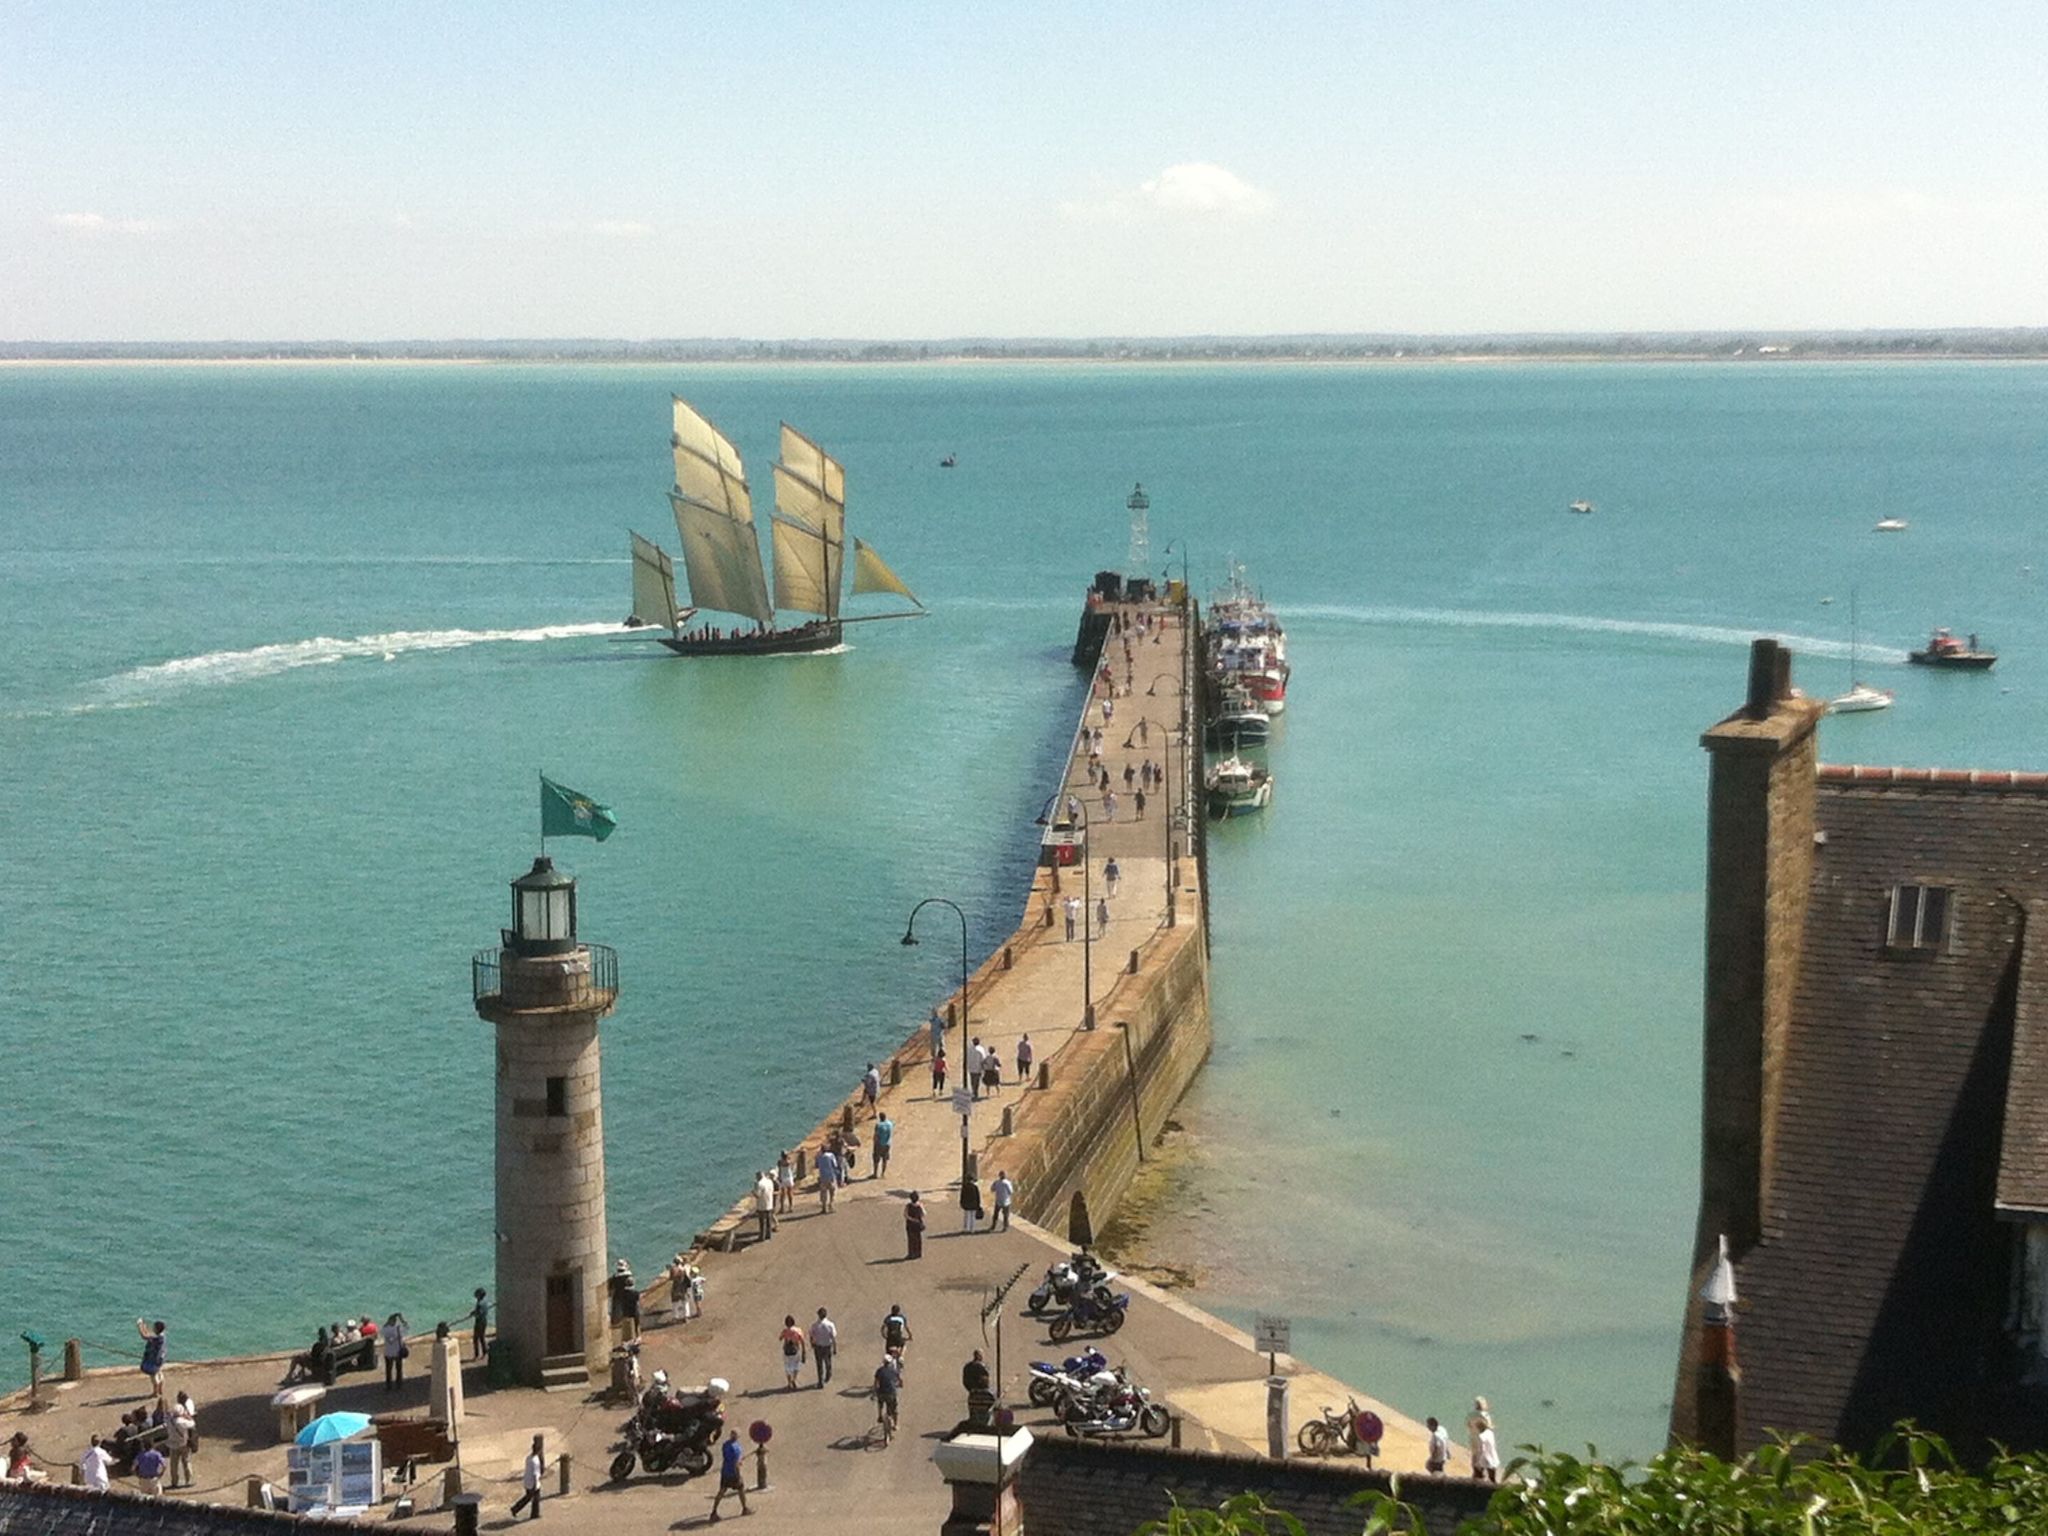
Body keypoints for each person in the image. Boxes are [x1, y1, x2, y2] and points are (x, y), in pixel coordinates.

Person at [710, 1429, 749, 1520]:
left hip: (725, 1471)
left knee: (722, 1491)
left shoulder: (726, 1444)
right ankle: (745, 1508)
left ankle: (714, 1511)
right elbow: (736, 1463)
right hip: (733, 1473)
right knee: (741, 1488)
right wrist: (738, 1470)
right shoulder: (736, 1448)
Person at [510, 1434, 544, 1519]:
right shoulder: (535, 1461)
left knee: (528, 1498)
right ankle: (532, 1513)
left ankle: (517, 1509)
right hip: (533, 1483)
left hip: (527, 1482)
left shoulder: (528, 1458)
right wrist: (535, 1486)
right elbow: (535, 1474)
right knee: (534, 1498)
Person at [872, 1354, 902, 1441]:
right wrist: (900, 1384)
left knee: (880, 1402)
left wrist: (875, 1392)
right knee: (894, 1409)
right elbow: (899, 1380)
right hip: (891, 1393)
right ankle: (896, 1424)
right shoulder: (894, 1371)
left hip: (882, 1393)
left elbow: (876, 1383)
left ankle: (880, 1415)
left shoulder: (879, 1371)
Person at [1467, 1397, 1497, 1483]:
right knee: (1489, 1457)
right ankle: (1491, 1479)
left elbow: (1467, 1425)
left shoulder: (1471, 1415)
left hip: (1474, 1438)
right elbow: (1489, 1426)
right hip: (1485, 1439)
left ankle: (1477, 1476)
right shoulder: (1485, 1415)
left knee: (1476, 1457)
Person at [137, 1318, 167, 1399]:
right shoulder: (162, 1337)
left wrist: (139, 1325)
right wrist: (144, 1326)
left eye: (154, 1327)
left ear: (157, 1329)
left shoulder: (157, 1339)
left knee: (154, 1376)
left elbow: (144, 1336)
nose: (153, 1328)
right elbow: (148, 1335)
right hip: (160, 1359)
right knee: (160, 1373)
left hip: (154, 1360)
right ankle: (160, 1390)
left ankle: (155, 1393)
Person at [809, 1308, 837, 1387]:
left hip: (818, 1346)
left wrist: (812, 1343)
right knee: (828, 1361)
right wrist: (835, 1347)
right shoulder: (830, 1325)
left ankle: (820, 1381)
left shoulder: (814, 1325)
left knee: (819, 1364)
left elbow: (811, 1335)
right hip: (827, 1346)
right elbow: (833, 1337)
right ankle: (828, 1374)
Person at [779, 1314, 807, 1390]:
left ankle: (789, 1383)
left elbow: (780, 1338)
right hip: (795, 1350)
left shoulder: (785, 1331)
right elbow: (802, 1341)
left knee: (787, 1366)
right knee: (796, 1365)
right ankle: (794, 1379)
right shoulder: (798, 1330)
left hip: (787, 1351)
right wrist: (804, 1351)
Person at [382, 1312, 409, 1391]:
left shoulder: (385, 1329)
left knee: (388, 1370)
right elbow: (407, 1327)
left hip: (388, 1352)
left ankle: (389, 1386)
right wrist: (402, 1319)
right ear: (395, 1321)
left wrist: (387, 1322)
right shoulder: (399, 1329)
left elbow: (381, 1330)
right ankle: (399, 1385)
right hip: (397, 1352)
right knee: (399, 1369)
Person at [753, 1170, 776, 1243]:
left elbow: (758, 1195)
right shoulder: (770, 1181)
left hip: (762, 1205)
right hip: (769, 1203)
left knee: (762, 1222)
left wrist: (753, 1190)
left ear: (759, 1176)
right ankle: (768, 1236)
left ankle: (762, 1237)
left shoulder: (760, 1184)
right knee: (769, 1221)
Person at [815, 1146, 840, 1211]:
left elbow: (816, 1165)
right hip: (831, 1176)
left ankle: (824, 1207)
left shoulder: (819, 1157)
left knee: (823, 1192)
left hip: (823, 1176)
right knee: (832, 1191)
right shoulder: (831, 1155)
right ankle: (831, 1205)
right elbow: (835, 1165)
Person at [904, 1191, 926, 1260]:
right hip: (918, 1224)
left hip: (910, 1224)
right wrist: (918, 1218)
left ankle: (911, 1254)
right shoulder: (920, 1205)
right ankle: (918, 1253)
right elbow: (924, 1213)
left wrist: (912, 1219)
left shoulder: (908, 1206)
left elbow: (905, 1215)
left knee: (911, 1239)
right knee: (918, 1238)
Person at [469, 1289, 491, 1360]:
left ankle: (477, 1355)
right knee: (482, 1338)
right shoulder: (485, 1301)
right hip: (484, 1321)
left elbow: (478, 1314)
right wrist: (474, 1312)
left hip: (479, 1322)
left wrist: (474, 1314)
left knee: (475, 1339)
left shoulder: (479, 1303)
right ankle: (484, 1352)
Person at [873, 1113, 894, 1180]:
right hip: (887, 1144)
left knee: (876, 1159)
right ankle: (883, 1174)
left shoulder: (878, 1125)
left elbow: (876, 1136)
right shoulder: (890, 1124)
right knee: (885, 1159)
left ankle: (875, 1174)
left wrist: (874, 1143)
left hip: (879, 1144)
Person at [774, 1150, 796, 1215]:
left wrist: (779, 1177)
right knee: (790, 1193)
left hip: (782, 1177)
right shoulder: (788, 1161)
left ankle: (782, 1208)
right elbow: (792, 1163)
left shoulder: (779, 1162)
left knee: (782, 1194)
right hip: (789, 1177)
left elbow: (779, 1170)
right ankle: (791, 1206)